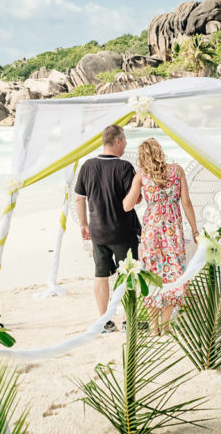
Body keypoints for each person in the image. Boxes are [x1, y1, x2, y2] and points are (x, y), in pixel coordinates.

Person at [123, 138, 198, 335]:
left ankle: (154, 328)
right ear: (160, 152)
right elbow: (187, 203)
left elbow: (127, 206)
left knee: (151, 277)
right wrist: (195, 230)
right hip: (173, 232)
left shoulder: (141, 175)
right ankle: (165, 327)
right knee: (173, 275)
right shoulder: (177, 170)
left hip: (152, 232)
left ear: (142, 157)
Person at [75, 125, 141, 333]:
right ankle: (127, 321)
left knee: (101, 274)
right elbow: (135, 199)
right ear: (118, 141)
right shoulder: (124, 167)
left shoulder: (87, 166)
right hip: (123, 231)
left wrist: (83, 224)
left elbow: (79, 198)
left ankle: (104, 321)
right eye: (125, 141)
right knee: (128, 275)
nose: (126, 145)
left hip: (98, 231)